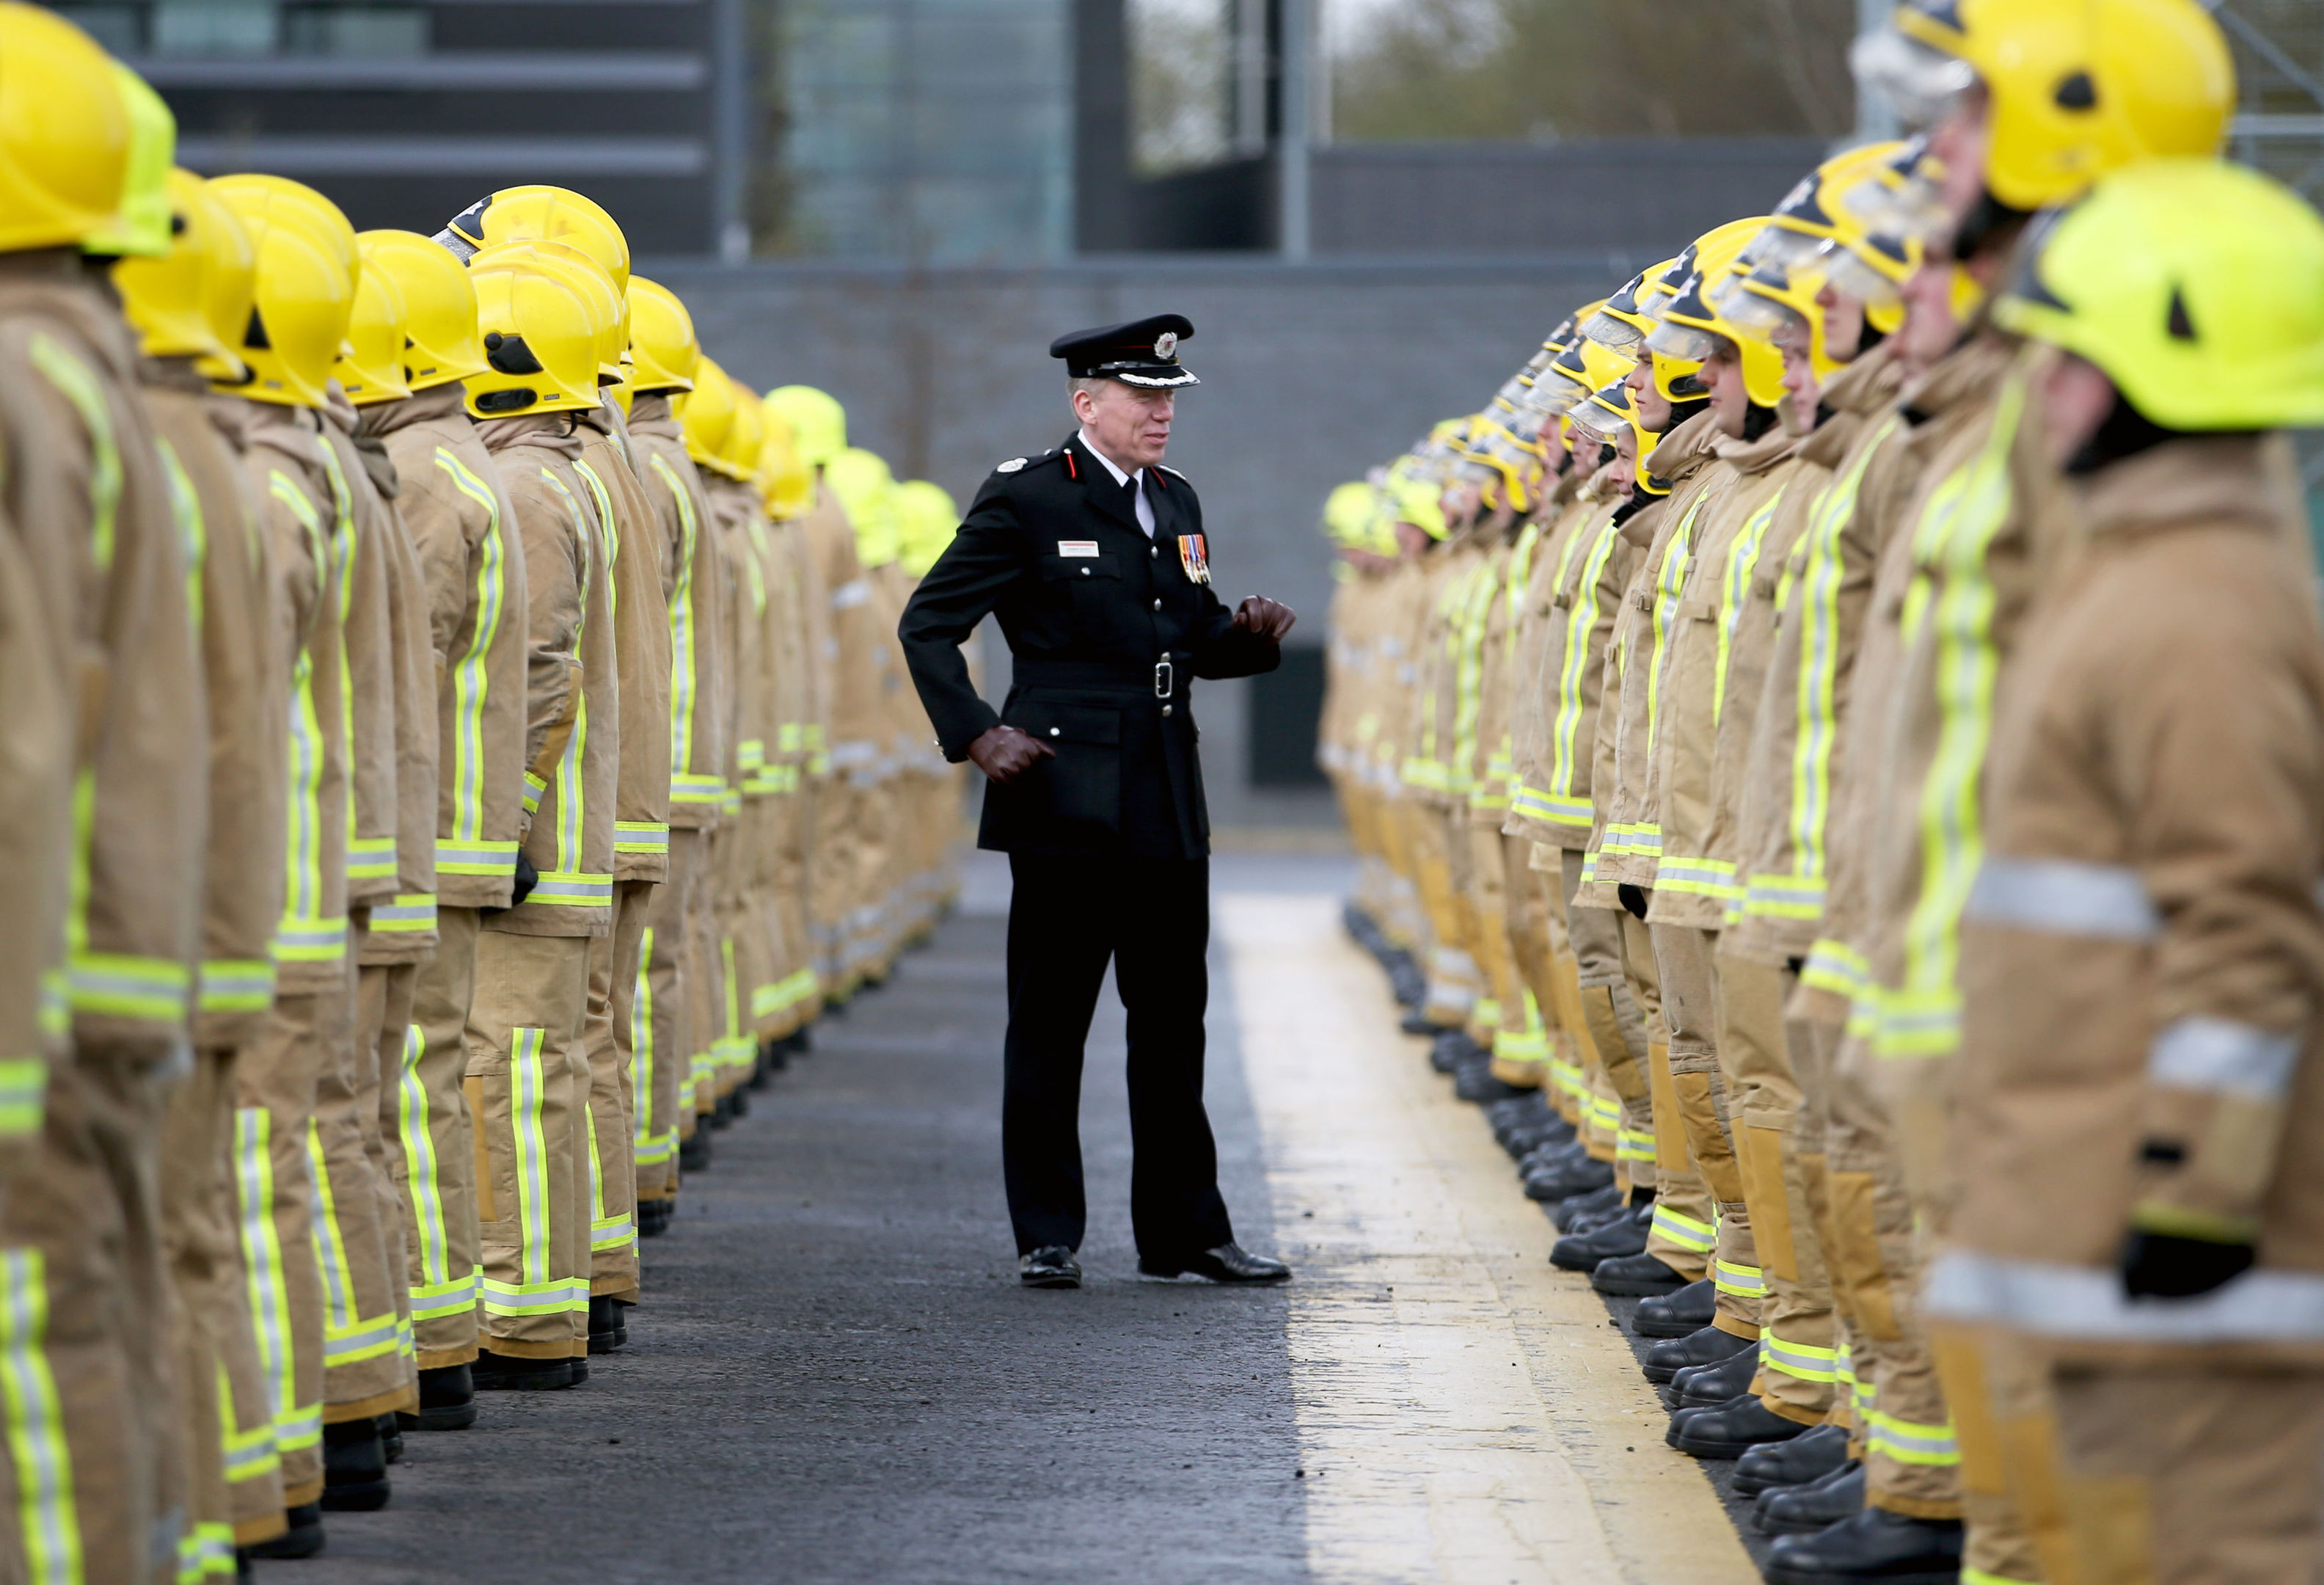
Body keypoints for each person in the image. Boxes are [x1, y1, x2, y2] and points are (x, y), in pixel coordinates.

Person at [898, 314, 1296, 1290]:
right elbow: (928, 623)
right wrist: (976, 730)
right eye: (1143, 398)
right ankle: (1046, 1230)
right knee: (1051, 1019)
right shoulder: (1028, 497)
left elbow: (1189, 631)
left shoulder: (1177, 499)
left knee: (1172, 1020)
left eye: (1169, 399)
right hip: (1063, 789)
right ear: (1088, 404)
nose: (1162, 414)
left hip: (1164, 785)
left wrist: (1243, 641)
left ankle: (1184, 1233)